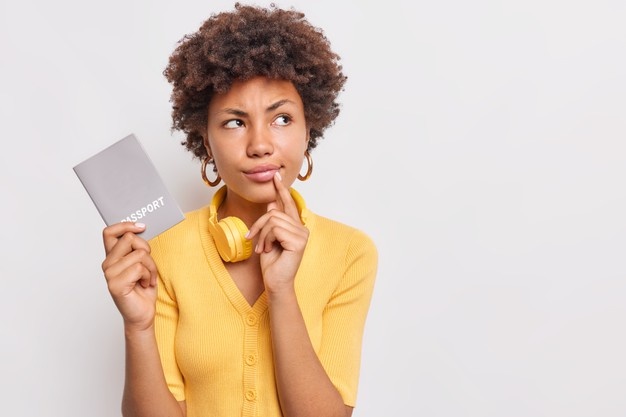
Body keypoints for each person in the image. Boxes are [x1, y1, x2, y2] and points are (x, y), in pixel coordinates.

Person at [101, 3, 378, 417]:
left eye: (282, 118)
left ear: (309, 130)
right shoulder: (163, 246)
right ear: (206, 140)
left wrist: (282, 291)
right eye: (234, 122)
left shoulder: (349, 252)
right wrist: (137, 327)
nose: (261, 144)